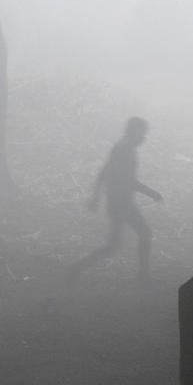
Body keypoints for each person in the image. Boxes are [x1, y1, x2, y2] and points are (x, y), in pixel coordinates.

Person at [68, 117, 162, 287]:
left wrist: (96, 196)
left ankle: (77, 268)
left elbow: (104, 171)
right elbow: (129, 181)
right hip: (122, 204)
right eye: (142, 133)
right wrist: (152, 193)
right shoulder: (124, 150)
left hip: (118, 202)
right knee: (141, 235)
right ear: (134, 132)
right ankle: (143, 277)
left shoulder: (121, 147)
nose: (144, 137)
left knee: (115, 244)